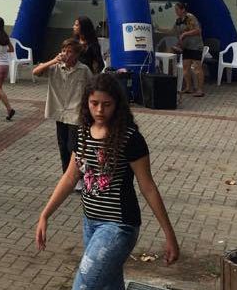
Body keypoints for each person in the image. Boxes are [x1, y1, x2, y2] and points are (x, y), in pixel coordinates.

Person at [35, 74, 179, 289]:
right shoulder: (81, 133)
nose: (100, 110)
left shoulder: (130, 138)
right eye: (94, 104)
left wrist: (170, 236)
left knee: (84, 285)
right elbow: (70, 177)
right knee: (108, 285)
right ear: (86, 103)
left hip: (119, 226)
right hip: (90, 222)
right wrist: (45, 214)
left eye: (106, 104)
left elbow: (148, 187)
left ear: (117, 105)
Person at [34, 39, 93, 178]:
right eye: (64, 50)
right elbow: (36, 72)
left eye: (70, 51)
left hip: (75, 112)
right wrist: (53, 61)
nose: (66, 54)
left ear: (77, 54)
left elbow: (92, 87)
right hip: (59, 112)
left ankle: (78, 176)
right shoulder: (55, 67)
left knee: (73, 146)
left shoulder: (83, 70)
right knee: (62, 145)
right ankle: (66, 175)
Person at [172, 2, 205, 97]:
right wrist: (159, 28)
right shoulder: (178, 21)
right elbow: (172, 30)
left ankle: (200, 90)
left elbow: (198, 30)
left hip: (195, 46)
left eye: (177, 10)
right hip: (186, 47)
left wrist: (185, 34)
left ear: (183, 10)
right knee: (185, 68)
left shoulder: (190, 17)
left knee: (197, 68)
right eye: (175, 10)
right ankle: (189, 87)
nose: (176, 12)